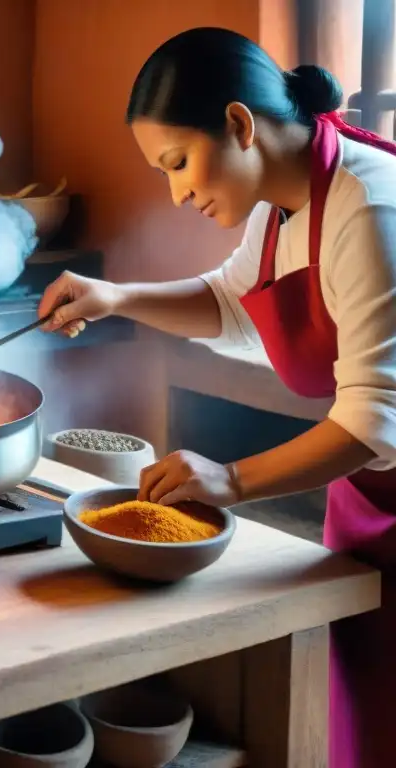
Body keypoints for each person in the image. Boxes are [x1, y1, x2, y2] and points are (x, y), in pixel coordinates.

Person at [38, 26, 396, 768]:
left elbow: (374, 417)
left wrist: (231, 479)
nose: (175, 193)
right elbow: (237, 306)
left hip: (376, 465)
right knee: (366, 713)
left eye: (178, 163)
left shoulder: (369, 207)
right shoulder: (282, 201)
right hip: (368, 494)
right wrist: (115, 296)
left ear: (239, 124)